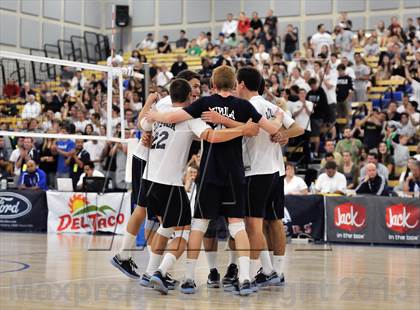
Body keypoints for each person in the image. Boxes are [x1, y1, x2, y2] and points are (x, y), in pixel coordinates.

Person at [146, 65, 284, 295]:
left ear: (212, 85)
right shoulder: (244, 105)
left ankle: (189, 278)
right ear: (234, 84)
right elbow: (269, 129)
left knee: (199, 225)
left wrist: (154, 115)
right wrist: (278, 117)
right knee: (237, 226)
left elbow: (172, 116)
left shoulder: (204, 103)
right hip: (235, 174)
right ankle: (246, 277)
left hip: (209, 173)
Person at [201, 68, 303, 287]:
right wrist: (282, 134)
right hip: (276, 171)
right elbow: (298, 128)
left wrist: (222, 119)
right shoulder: (271, 105)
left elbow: (252, 129)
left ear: (242, 84)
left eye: (237, 83)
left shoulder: (247, 107)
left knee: (252, 226)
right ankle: (277, 271)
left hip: (255, 170)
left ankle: (262, 272)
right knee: (274, 222)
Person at [111, 70, 202, 283]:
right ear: (185, 87)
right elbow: (145, 123)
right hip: (148, 161)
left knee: (162, 219)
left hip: (157, 164)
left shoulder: (173, 106)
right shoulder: (173, 106)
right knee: (148, 211)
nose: (198, 90)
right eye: (195, 86)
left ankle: (154, 270)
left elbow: (147, 124)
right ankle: (132, 258)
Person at [287, 88, 313, 168]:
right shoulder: (295, 104)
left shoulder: (309, 103)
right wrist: (302, 107)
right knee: (299, 146)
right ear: (298, 94)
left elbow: (310, 113)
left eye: (304, 93)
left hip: (307, 128)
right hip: (298, 129)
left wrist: (305, 105)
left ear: (306, 94)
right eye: (301, 93)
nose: (302, 95)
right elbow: (294, 114)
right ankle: (299, 161)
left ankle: (306, 162)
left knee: (306, 145)